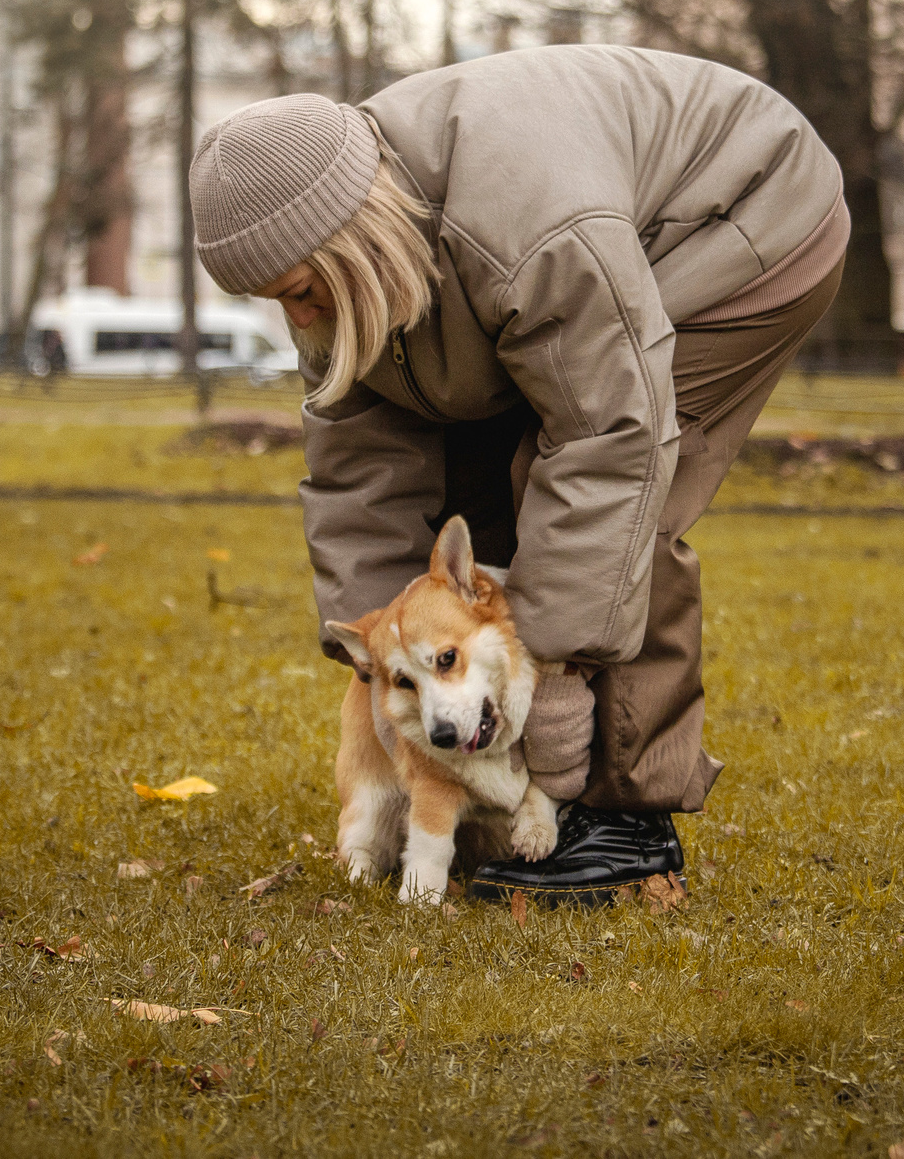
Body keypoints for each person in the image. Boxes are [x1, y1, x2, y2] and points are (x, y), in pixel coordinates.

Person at [187, 44, 848, 904]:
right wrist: (390, 657)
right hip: (584, 252)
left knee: (611, 503)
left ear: (356, 238)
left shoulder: (523, 228)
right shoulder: (348, 260)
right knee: (480, 505)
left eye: (305, 289)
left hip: (748, 220)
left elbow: (610, 439)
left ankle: (621, 819)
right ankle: (504, 798)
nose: (298, 317)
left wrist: (560, 679)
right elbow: (359, 464)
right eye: (277, 301)